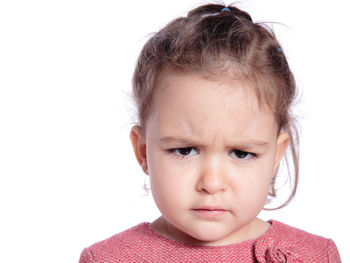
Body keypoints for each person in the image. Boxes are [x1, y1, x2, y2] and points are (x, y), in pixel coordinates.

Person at [79, 3, 341, 262]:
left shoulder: (315, 256)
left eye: (241, 153)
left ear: (276, 155)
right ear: (143, 151)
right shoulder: (109, 259)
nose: (212, 183)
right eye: (185, 150)